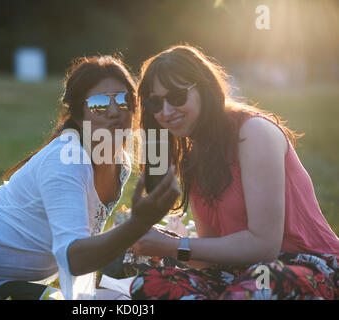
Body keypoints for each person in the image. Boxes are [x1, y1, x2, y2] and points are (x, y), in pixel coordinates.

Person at [0, 55, 181, 300]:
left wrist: (137, 237)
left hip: (3, 276)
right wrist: (137, 225)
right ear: (79, 114)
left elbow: (81, 245)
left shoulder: (121, 166)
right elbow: (74, 257)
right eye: (98, 104)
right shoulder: (65, 160)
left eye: (124, 100)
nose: (113, 112)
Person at [130, 44, 339, 300]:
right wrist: (160, 243)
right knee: (150, 284)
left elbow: (264, 247)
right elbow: (212, 260)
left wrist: (174, 246)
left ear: (205, 89)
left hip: (308, 268)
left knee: (257, 287)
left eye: (176, 97)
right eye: (154, 102)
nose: (165, 112)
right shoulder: (194, 155)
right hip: (242, 276)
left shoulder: (253, 133)